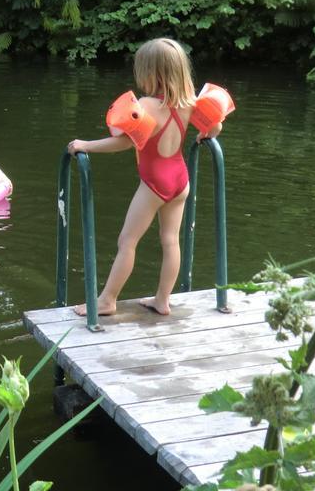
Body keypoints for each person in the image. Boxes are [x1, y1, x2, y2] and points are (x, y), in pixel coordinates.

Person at [66, 38, 223, 317]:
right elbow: (216, 124)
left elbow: (124, 142)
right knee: (171, 241)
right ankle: (162, 300)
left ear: (152, 73)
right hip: (180, 180)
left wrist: (86, 145)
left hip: (154, 183)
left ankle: (107, 300)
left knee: (127, 241)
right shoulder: (190, 103)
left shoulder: (148, 105)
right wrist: (204, 134)